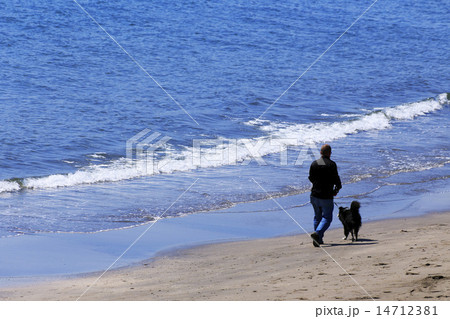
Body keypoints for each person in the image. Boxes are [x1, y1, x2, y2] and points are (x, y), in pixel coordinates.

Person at [308, 144, 342, 247]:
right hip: (326, 196)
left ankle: (318, 239)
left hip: (314, 195)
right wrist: (336, 189)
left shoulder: (314, 163)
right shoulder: (331, 164)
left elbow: (310, 178)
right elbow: (337, 179)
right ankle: (318, 233)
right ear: (329, 153)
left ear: (320, 152)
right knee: (327, 218)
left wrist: (317, 184)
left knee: (317, 217)